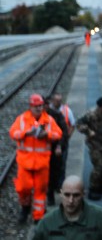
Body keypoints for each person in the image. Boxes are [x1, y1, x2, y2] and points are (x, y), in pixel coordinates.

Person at [9, 93, 63, 224]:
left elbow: (58, 134)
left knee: (40, 191)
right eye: (35, 106)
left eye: (40, 106)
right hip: (24, 162)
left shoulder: (49, 120)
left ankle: (38, 217)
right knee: (23, 188)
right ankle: (25, 208)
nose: (38, 108)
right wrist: (25, 133)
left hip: (42, 163)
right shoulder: (21, 119)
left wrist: (47, 134)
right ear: (30, 107)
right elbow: (12, 132)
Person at [32, 175, 102, 240]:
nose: (71, 200)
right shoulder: (47, 223)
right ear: (61, 194)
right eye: (67, 195)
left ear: (83, 195)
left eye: (76, 195)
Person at [43, 94, 70, 206]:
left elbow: (64, 131)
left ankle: (51, 194)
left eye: (42, 105)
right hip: (39, 152)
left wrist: (59, 145)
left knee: (54, 173)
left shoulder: (56, 115)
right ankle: (47, 194)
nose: (41, 108)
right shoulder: (31, 117)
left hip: (54, 150)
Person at [48, 92, 75, 190]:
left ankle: (60, 186)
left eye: (60, 101)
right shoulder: (47, 111)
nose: (58, 102)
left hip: (62, 142)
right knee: (51, 166)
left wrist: (67, 138)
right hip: (50, 143)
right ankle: (52, 185)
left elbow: (72, 125)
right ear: (52, 101)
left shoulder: (66, 111)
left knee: (62, 165)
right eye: (56, 101)